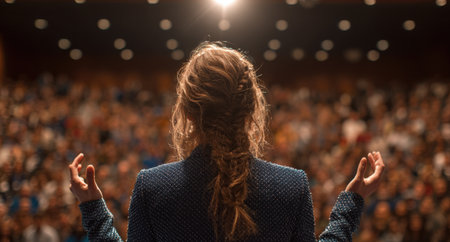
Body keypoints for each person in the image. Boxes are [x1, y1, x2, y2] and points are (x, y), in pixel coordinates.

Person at [68, 42, 386, 241]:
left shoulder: (153, 186)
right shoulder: (291, 186)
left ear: (188, 113)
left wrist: (93, 209)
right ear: (251, 110)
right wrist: (351, 202)